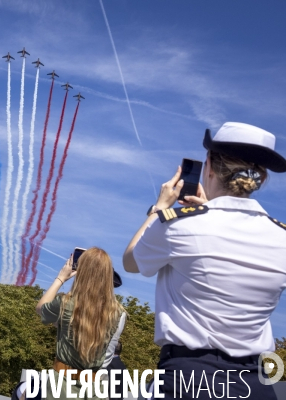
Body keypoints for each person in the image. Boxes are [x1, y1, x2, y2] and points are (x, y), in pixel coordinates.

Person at [123, 122, 286, 399]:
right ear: (261, 176)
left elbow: (131, 261)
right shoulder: (281, 235)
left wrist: (159, 209)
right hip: (257, 385)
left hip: (189, 381)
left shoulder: (178, 225)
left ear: (209, 165)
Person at [36, 247, 126, 399]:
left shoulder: (65, 303)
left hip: (61, 386)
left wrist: (60, 278)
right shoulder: (118, 314)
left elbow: (40, 308)